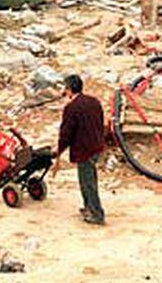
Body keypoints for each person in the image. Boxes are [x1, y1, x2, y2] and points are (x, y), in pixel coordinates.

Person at [53, 75, 105, 226]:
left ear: (69, 89)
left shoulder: (71, 108)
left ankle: (97, 214)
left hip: (84, 150)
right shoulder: (94, 101)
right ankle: (89, 207)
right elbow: (101, 122)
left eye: (65, 88)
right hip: (97, 146)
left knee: (87, 182)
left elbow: (66, 133)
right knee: (88, 180)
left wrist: (59, 150)